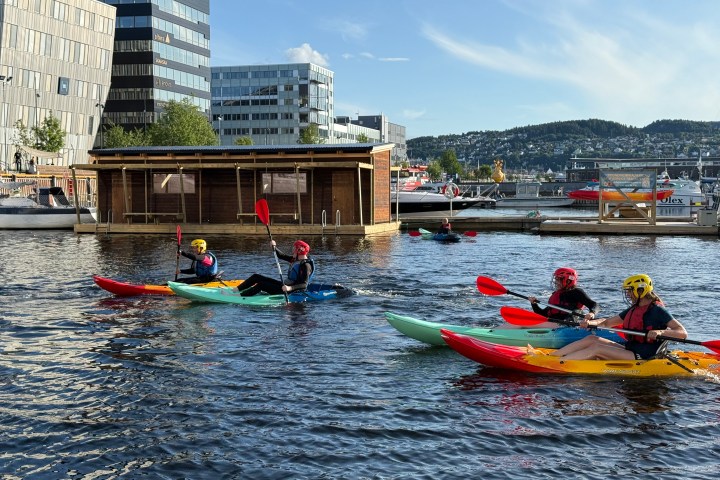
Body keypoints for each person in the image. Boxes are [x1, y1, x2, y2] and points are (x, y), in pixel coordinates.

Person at [547, 274, 687, 360]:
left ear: (641, 290)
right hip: (630, 348)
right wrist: (591, 323)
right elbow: (608, 323)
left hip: (645, 355)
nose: (627, 295)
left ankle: (560, 363)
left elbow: (682, 333)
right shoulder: (635, 308)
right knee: (592, 338)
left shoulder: (657, 310)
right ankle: (552, 357)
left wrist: (660, 332)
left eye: (629, 291)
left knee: (597, 349)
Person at [513, 267, 598, 329]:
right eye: (556, 279)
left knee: (520, 324)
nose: (556, 282)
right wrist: (534, 304)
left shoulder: (577, 292)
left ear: (568, 280)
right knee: (517, 322)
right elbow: (542, 314)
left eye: (558, 279)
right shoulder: (556, 295)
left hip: (566, 325)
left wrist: (591, 313)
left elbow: (594, 304)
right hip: (554, 323)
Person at [239, 239, 314, 296]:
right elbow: (281, 256)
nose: (293, 251)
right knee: (256, 277)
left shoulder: (306, 265)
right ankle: (236, 290)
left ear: (299, 250)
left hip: (292, 290)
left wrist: (289, 288)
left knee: (261, 285)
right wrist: (274, 247)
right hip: (285, 286)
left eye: (294, 249)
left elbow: (304, 284)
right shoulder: (295, 259)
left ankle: (240, 296)